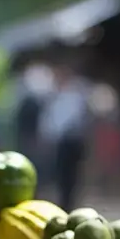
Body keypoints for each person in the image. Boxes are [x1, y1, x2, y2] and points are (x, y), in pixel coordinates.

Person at [39, 65, 91, 211]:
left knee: (72, 174)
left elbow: (78, 117)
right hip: (60, 141)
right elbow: (51, 119)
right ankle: (64, 202)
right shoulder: (53, 94)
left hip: (73, 139)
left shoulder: (76, 93)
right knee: (61, 174)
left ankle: (69, 203)